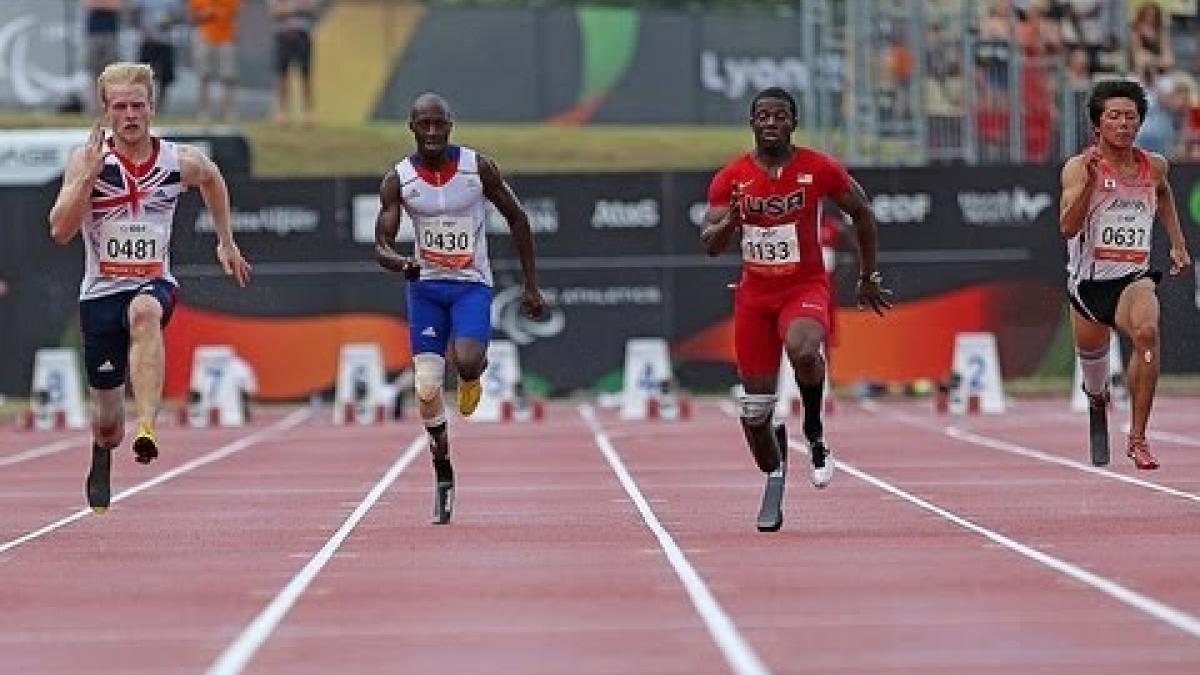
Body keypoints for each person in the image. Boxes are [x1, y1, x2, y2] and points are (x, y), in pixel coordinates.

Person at [47, 62, 252, 513]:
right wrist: (87, 177)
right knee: (105, 424)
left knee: (146, 314)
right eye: (120, 107)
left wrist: (226, 241)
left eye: (138, 105)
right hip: (99, 293)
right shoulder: (87, 161)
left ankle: (148, 427)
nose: (130, 115)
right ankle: (105, 448)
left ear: (152, 108)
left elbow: (213, 179)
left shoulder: (179, 161)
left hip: (152, 281)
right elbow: (60, 231)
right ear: (106, 112)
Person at [701, 87, 890, 533]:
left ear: (793, 122)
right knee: (754, 414)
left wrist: (867, 276)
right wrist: (731, 219)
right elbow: (709, 244)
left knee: (804, 349)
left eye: (780, 116)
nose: (771, 122)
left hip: (803, 287)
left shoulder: (818, 168)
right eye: (763, 116)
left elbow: (862, 212)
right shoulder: (730, 178)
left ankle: (816, 433)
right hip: (754, 297)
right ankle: (775, 466)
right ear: (751, 123)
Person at [374, 93, 544, 525]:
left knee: (467, 362)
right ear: (411, 128)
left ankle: (471, 379)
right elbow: (382, 244)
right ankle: (443, 467)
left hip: (470, 286)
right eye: (424, 125)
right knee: (428, 390)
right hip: (426, 289)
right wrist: (399, 261)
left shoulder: (476, 167)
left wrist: (531, 285)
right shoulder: (398, 179)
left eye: (439, 124)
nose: (432, 133)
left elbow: (518, 217)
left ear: (451, 125)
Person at [1059, 78, 1192, 470]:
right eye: (1114, 116)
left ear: (1140, 123)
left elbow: (1164, 194)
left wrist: (1178, 242)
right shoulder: (1078, 168)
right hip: (1087, 288)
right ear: (1098, 125)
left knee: (1147, 335)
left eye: (1131, 117)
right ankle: (1097, 401)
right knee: (1096, 379)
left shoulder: (1154, 166)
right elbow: (1067, 227)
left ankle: (1137, 437)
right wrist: (1091, 186)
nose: (1123, 124)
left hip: (1133, 279)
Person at [188, 0, 241, 123]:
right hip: (204, 36)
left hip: (226, 37)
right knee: (204, 76)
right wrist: (205, 14)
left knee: (228, 77)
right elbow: (191, 17)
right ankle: (204, 112)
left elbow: (235, 13)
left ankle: (229, 112)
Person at [269, 0, 318, 127]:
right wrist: (297, 9)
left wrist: (288, 8)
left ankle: (308, 113)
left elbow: (311, 8)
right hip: (282, 35)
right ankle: (282, 113)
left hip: (302, 35)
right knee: (282, 76)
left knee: (305, 75)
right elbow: (276, 12)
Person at [132, 0, 182, 113]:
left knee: (165, 77)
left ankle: (159, 108)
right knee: (143, 78)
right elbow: (134, 13)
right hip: (147, 40)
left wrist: (170, 22)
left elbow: (180, 16)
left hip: (166, 41)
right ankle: (143, 106)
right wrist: (142, 28)